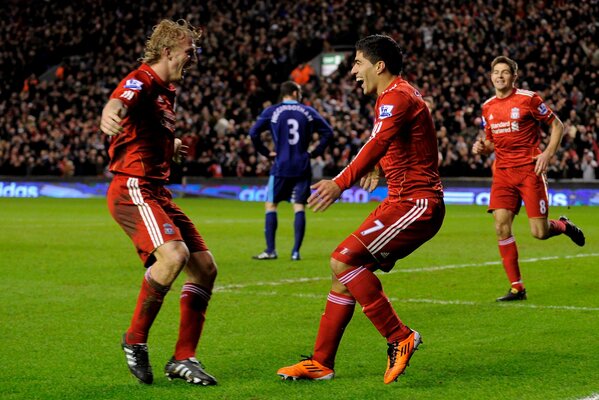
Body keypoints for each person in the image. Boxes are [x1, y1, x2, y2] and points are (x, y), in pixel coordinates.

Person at [277, 35, 445, 384]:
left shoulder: (397, 96)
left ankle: (400, 336)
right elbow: (398, 142)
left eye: (357, 63)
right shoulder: (394, 96)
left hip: (416, 202)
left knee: (343, 260)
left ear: (378, 66)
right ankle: (321, 363)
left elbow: (378, 141)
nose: (353, 71)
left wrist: (340, 183)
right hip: (400, 200)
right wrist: (380, 166)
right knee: (342, 273)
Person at [100, 19, 218, 386]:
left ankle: (183, 358)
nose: (192, 58)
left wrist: (172, 145)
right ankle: (135, 339)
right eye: (188, 51)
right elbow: (122, 98)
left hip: (157, 191)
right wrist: (110, 111)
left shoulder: (167, 91)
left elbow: (145, 131)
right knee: (173, 256)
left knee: (205, 268)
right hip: (132, 187)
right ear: (167, 51)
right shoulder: (144, 79)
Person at [472, 56, 586, 301]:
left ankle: (563, 225)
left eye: (505, 72)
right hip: (503, 173)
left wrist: (547, 153)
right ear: (491, 76)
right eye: (496, 72)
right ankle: (517, 287)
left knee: (540, 232)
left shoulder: (529, 99)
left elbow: (557, 125)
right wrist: (482, 148)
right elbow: (491, 141)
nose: (500, 76)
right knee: (501, 226)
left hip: (529, 171)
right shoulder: (487, 107)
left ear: (514, 76)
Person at [249, 81, 333, 261]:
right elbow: (328, 132)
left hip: (281, 165)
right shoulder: (308, 112)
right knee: (299, 206)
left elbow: (253, 133)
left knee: (271, 205)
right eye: (300, 91)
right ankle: (295, 252)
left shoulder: (272, 111)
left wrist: (266, 153)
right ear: (294, 92)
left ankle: (270, 250)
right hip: (302, 165)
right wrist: (315, 152)